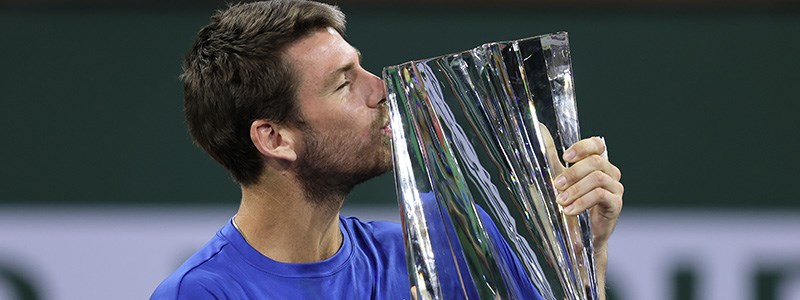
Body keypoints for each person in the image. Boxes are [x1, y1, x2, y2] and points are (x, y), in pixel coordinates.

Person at [150, 0, 624, 299]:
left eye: (363, 67)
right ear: (275, 139)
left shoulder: (443, 240)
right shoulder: (204, 293)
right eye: (344, 83)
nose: (382, 89)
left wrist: (584, 250)